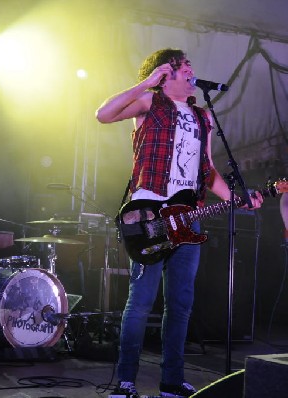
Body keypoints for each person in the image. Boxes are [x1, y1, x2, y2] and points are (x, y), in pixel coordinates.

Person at [95, 48, 263, 398]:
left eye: (190, 67)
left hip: (188, 216)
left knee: (181, 303)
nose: (191, 71)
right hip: (150, 214)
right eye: (183, 67)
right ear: (164, 75)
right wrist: (147, 83)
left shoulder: (204, 116)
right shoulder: (149, 104)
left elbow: (208, 169)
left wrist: (238, 198)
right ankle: (126, 381)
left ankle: (172, 380)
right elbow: (103, 114)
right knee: (140, 300)